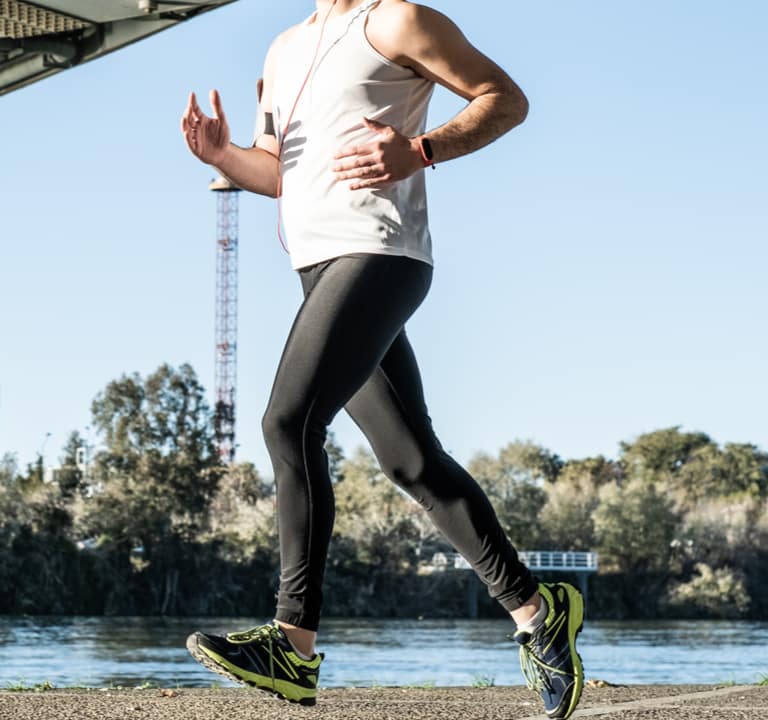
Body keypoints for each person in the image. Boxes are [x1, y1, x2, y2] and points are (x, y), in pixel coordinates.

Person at [178, 1, 584, 717]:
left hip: (380, 254)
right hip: (318, 267)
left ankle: (292, 644)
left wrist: (420, 150)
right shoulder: (281, 49)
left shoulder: (396, 21)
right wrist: (222, 158)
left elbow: (506, 99)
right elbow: (279, 174)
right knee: (411, 462)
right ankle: (537, 612)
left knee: (287, 423)